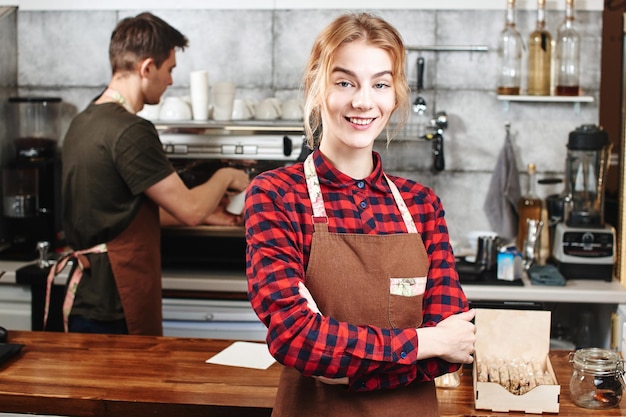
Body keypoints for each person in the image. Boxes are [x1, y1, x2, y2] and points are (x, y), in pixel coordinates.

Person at [245, 12, 475, 416]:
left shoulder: (423, 206)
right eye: (345, 82)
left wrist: (341, 367)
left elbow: (453, 349)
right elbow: (295, 338)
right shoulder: (276, 196)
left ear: (395, 95)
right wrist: (425, 342)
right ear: (319, 89)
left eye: (380, 84)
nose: (363, 101)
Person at [48, 12, 249, 336]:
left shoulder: (84, 121)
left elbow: (121, 213)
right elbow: (190, 210)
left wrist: (212, 214)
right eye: (169, 69)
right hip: (117, 301)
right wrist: (226, 176)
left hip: (87, 295)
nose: (170, 81)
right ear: (146, 68)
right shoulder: (131, 131)